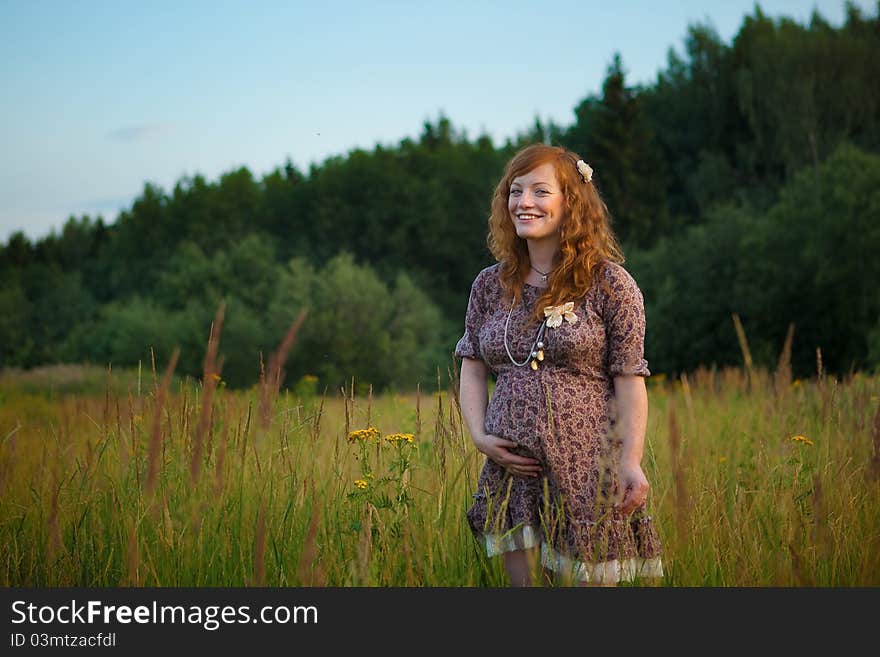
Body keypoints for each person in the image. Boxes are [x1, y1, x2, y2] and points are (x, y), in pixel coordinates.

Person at [455, 144, 663, 586]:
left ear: (571, 201)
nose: (524, 202)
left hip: (588, 472)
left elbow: (630, 378)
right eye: (515, 191)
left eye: (540, 191)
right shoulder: (490, 285)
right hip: (514, 474)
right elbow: (471, 364)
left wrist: (631, 460)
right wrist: (480, 437)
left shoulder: (610, 284)